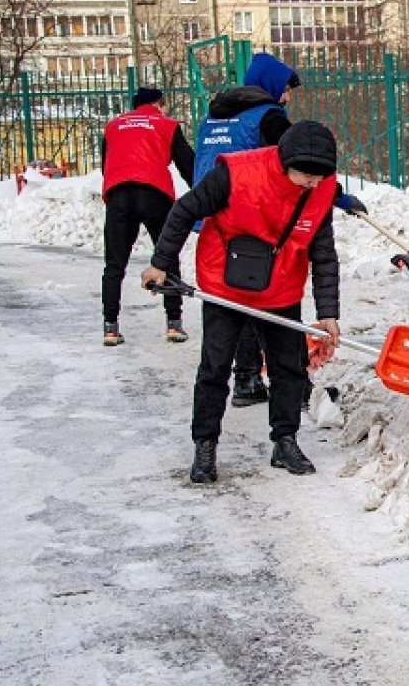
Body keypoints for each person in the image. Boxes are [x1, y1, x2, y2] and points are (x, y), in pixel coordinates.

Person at [141, 120, 342, 484]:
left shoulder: (321, 189)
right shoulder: (235, 174)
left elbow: (323, 252)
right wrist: (159, 263)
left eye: (319, 177)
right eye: (305, 176)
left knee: (288, 369)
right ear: (284, 162)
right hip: (224, 285)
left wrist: (328, 313)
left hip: (281, 285)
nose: (312, 184)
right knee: (215, 369)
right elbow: (185, 210)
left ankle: (285, 441)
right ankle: (205, 446)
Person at [193, 52, 366, 408]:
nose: (287, 98)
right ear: (271, 86)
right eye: (286, 89)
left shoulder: (214, 115)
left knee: (236, 296)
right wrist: (338, 197)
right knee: (268, 298)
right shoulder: (268, 116)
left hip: (218, 216)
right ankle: (288, 383)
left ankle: (247, 378)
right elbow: (301, 162)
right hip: (257, 216)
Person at [100, 87, 194, 346]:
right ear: (158, 104)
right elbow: (188, 165)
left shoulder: (113, 126)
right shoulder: (165, 124)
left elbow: (104, 164)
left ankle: (110, 327)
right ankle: (174, 324)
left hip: (119, 194)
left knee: (114, 264)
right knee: (166, 256)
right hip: (154, 193)